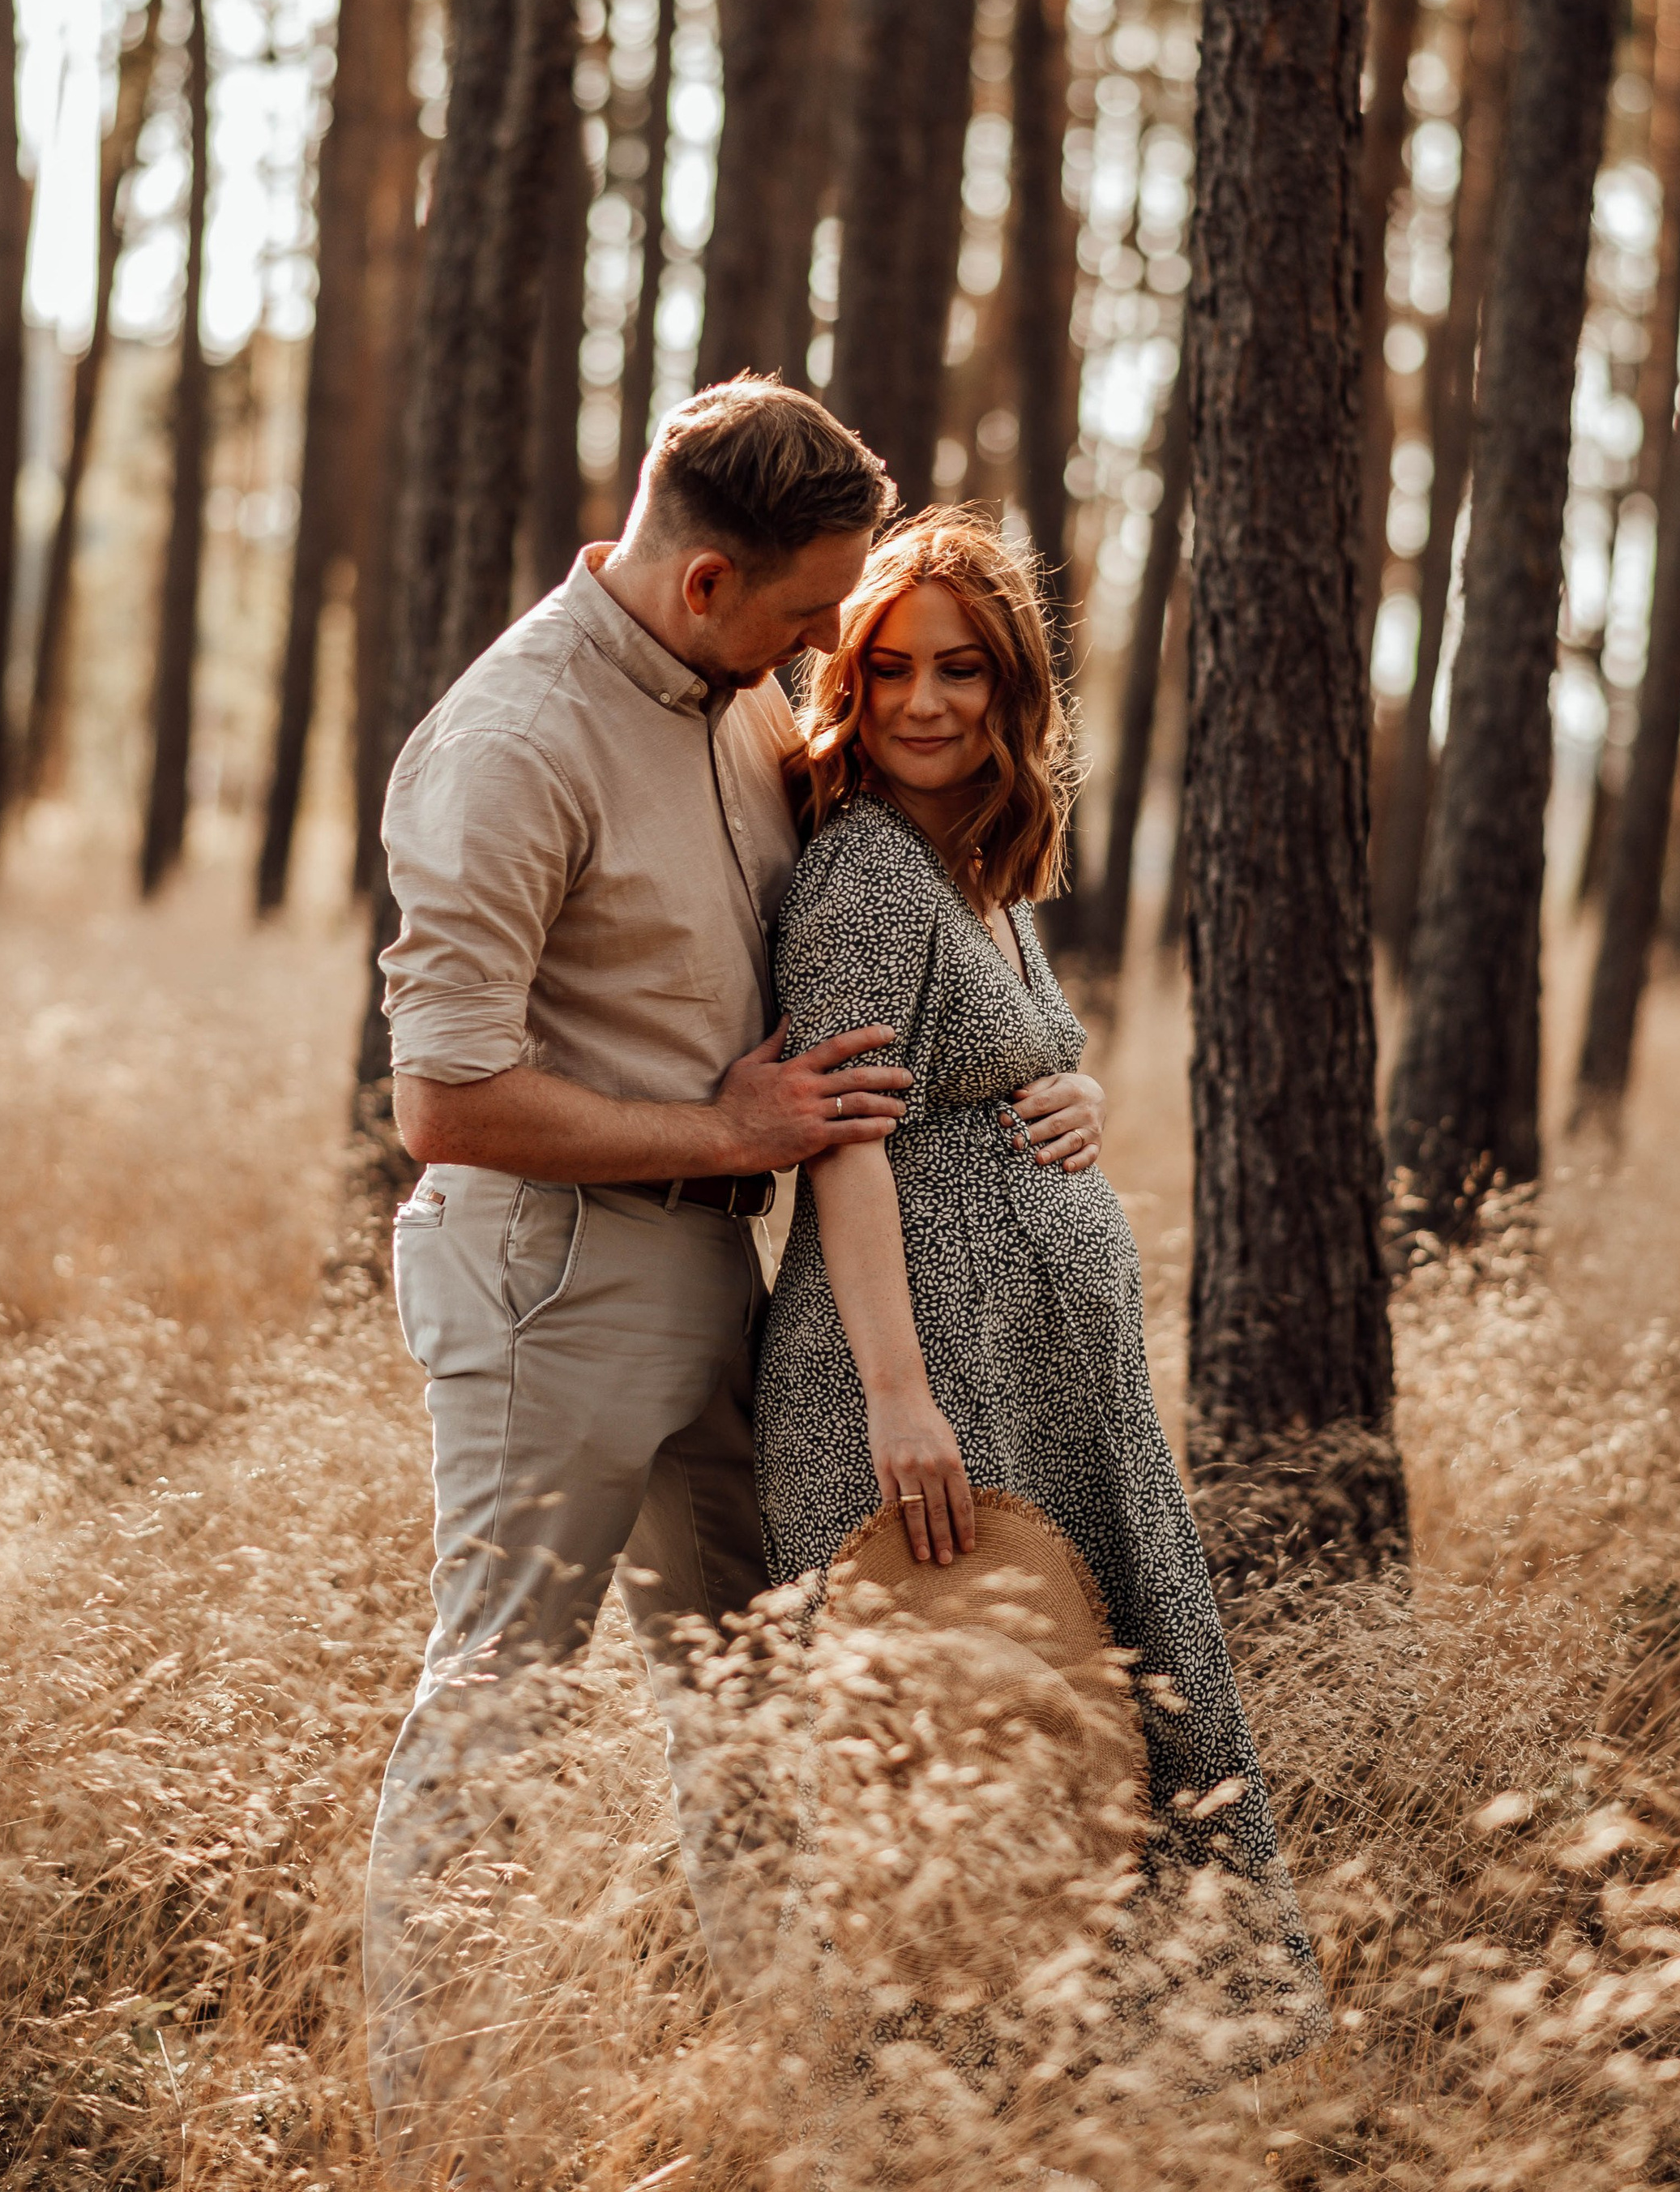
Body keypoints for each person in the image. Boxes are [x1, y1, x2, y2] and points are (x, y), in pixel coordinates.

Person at [365, 383, 1105, 2164]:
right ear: (706, 588)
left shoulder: (731, 699)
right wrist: (732, 1129)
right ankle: (420, 2118)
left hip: (728, 1282)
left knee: (760, 1684)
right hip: (548, 1286)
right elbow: (442, 1103)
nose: (819, 657)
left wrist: (1033, 1063)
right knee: (498, 1688)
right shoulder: (509, 746)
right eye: (800, 619)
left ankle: (779, 2077)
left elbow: (904, 900)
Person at [755, 507, 1326, 2032]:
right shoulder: (870, 871)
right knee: (961, 1750)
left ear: (1016, 691)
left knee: (1070, 1735)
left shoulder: (976, 874)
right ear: (851, 687)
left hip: (1041, 1387)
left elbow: (978, 1073)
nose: (927, 702)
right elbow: (848, 1142)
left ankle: (1112, 2079)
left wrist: (1068, 1094)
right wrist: (898, 1398)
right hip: (935, 1387)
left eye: (963, 670)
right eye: (889, 671)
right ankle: (955, 2096)